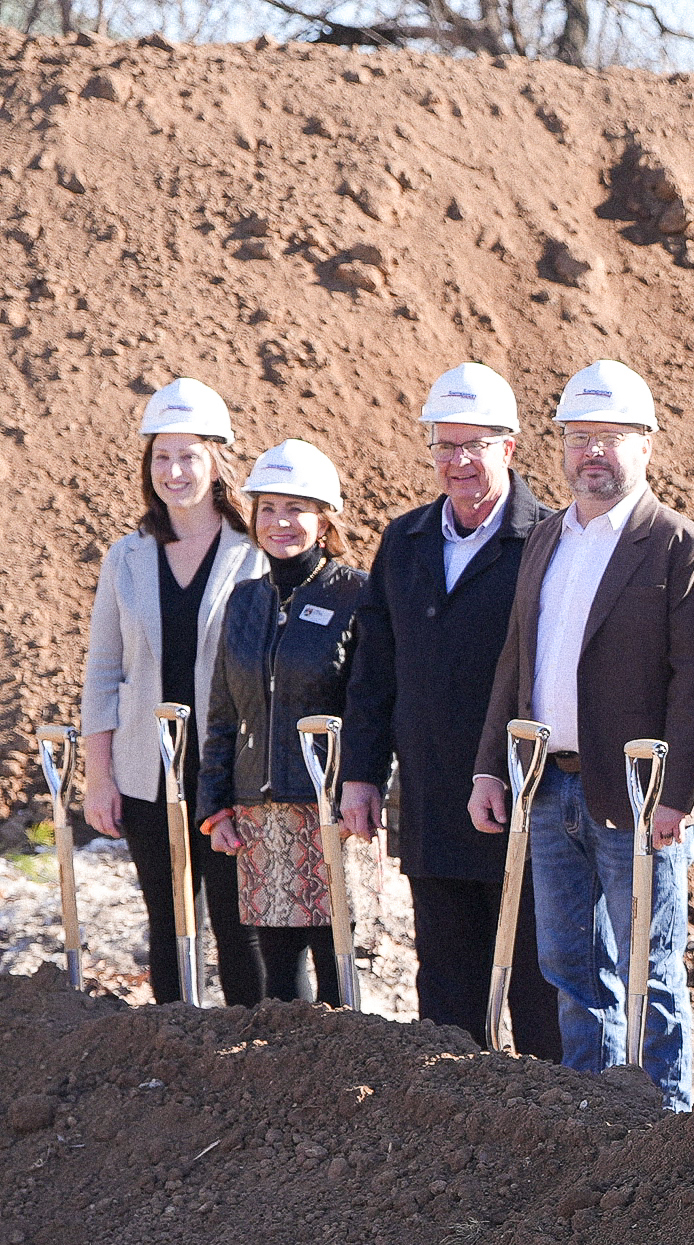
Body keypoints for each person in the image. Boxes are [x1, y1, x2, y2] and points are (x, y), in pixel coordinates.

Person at [469, 360, 694, 1113]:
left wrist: (678, 796)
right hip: (549, 786)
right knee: (568, 966)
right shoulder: (547, 539)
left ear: (646, 445)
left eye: (611, 438)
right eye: (580, 437)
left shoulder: (681, 548)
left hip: (640, 799)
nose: (593, 453)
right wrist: (493, 768)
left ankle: (669, 1122)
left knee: (651, 966)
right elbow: (516, 661)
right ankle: (595, 1114)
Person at [338, 363, 560, 1058]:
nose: (459, 461)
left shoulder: (549, 541)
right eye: (445, 445)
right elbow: (374, 672)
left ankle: (549, 1133)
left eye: (476, 444)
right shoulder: (403, 544)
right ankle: (458, 1142)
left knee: (537, 986)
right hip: (432, 799)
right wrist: (363, 775)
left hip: (527, 799)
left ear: (510, 447)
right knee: (447, 991)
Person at [80, 377, 269, 1004]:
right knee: (169, 924)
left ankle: (249, 1053)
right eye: (161, 455)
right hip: (145, 774)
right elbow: (104, 672)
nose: (174, 470)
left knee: (238, 924)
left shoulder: (254, 555)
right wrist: (100, 777)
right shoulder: (125, 558)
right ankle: (178, 1054)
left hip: (229, 774)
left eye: (189, 454)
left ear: (217, 460)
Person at [192, 440, 368, 1005]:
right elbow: (222, 713)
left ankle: (355, 1076)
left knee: (335, 950)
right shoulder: (244, 600)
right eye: (268, 508)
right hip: (258, 809)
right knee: (277, 956)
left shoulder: (357, 596)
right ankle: (289, 1080)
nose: (280, 522)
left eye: (297, 508)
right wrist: (213, 804)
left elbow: (372, 706)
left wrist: (364, 790)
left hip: (329, 808)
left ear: (324, 521)